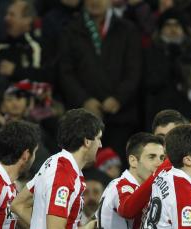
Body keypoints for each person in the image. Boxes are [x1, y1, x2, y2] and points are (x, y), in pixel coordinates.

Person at [58, 0, 142, 157]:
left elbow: (134, 70)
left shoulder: (127, 29)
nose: (95, 2)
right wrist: (84, 100)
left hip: (121, 117)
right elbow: (65, 72)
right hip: (82, 118)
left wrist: (118, 98)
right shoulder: (70, 29)